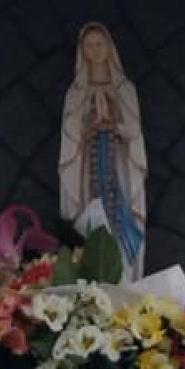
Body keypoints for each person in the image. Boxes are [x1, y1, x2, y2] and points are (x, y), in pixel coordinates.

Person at [58, 22, 147, 281]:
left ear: (109, 47)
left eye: (99, 44)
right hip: (88, 171)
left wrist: (114, 125)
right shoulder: (75, 93)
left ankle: (127, 278)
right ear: (82, 51)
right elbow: (70, 138)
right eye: (89, 45)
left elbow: (134, 132)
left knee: (122, 225)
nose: (95, 50)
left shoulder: (125, 90)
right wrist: (88, 129)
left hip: (119, 171)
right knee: (90, 225)